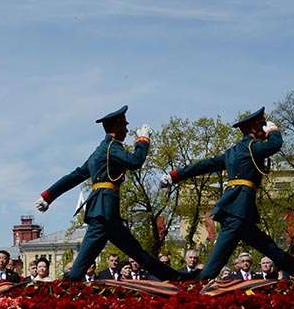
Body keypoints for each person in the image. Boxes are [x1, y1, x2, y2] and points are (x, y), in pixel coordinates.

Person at [162, 107, 294, 282]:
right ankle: (189, 286)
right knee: (214, 265)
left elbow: (202, 166)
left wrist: (175, 175)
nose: (264, 127)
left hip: (239, 210)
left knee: (271, 250)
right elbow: (275, 145)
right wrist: (274, 131)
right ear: (253, 128)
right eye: (262, 124)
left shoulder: (233, 151)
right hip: (238, 210)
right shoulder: (254, 147)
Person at [37, 107, 187, 282]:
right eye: (124, 125)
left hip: (107, 213)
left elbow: (75, 175)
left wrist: (48, 196)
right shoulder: (112, 148)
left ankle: (176, 277)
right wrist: (143, 140)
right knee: (81, 266)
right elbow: (135, 161)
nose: (126, 130)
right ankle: (64, 289)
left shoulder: (99, 151)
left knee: (138, 253)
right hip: (103, 213)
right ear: (116, 126)